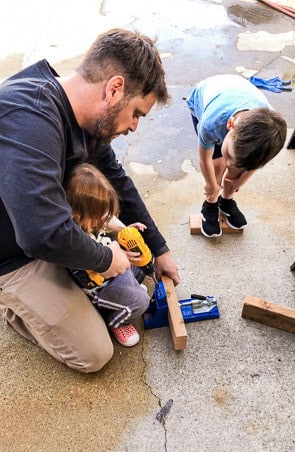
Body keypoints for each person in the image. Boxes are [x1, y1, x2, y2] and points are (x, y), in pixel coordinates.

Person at [0, 28, 180, 373]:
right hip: (12, 252)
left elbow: (118, 183)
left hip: (46, 226)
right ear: (114, 89)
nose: (134, 127)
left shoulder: (87, 123)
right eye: (137, 113)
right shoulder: (28, 119)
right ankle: (16, 309)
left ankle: (74, 276)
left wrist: (159, 249)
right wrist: (104, 258)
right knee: (94, 353)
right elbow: (40, 234)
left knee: (126, 253)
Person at [186, 74, 287, 237]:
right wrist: (211, 185)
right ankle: (210, 204)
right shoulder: (211, 123)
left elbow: (254, 164)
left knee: (237, 168)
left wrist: (240, 181)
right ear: (230, 125)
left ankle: (226, 200)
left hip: (240, 93)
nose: (230, 164)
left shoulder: (270, 137)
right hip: (206, 96)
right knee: (218, 165)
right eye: (230, 157)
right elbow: (204, 159)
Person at [64, 162, 150, 348]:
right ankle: (116, 321)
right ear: (75, 213)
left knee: (140, 269)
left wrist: (125, 230)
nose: (104, 218)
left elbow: (105, 224)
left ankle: (126, 298)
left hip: (115, 271)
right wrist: (117, 256)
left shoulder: (89, 220)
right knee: (141, 302)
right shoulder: (74, 242)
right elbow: (95, 277)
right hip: (99, 287)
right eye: (99, 214)